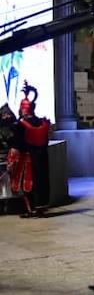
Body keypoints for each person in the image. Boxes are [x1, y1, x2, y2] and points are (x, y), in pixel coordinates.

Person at [1, 83, 52, 216]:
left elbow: (17, 144)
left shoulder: (22, 125)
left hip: (27, 159)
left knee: (27, 184)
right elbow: (45, 141)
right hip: (42, 157)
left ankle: (32, 209)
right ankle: (41, 207)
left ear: (23, 110)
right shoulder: (43, 122)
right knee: (41, 181)